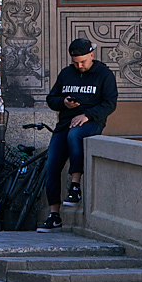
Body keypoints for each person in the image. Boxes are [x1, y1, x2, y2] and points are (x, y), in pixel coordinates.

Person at [39, 36, 118, 232]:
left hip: (91, 122)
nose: (80, 66)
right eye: (76, 63)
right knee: (52, 165)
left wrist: (87, 115)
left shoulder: (104, 75)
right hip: (65, 122)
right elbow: (51, 99)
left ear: (92, 55)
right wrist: (64, 103)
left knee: (74, 136)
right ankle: (54, 215)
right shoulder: (66, 73)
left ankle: (75, 186)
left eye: (83, 61)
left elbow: (110, 104)